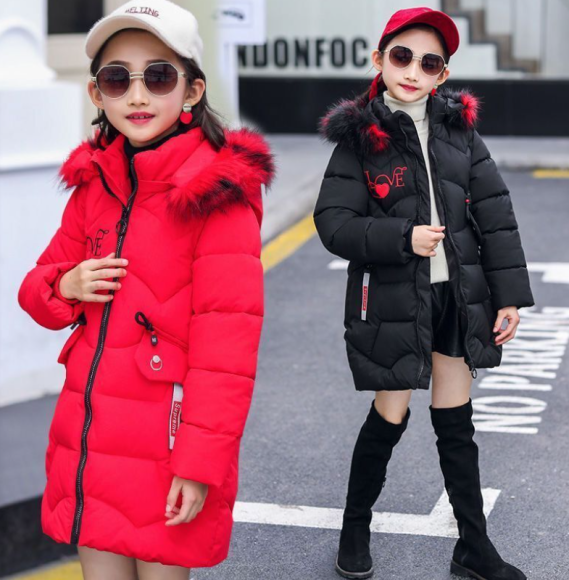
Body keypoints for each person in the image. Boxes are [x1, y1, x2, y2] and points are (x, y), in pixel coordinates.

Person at [17, 1, 275, 578]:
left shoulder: (219, 195)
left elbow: (227, 351)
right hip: (89, 439)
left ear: (191, 92)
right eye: (118, 79)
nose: (137, 95)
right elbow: (35, 291)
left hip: (167, 443)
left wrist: (200, 465)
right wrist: (67, 284)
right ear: (97, 94)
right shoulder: (94, 183)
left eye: (158, 76)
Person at [314, 6, 534, 580]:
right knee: (389, 413)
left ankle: (473, 547)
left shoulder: (460, 130)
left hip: (457, 297)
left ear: (443, 73)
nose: (413, 70)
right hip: (394, 299)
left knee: (456, 420)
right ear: (379, 59)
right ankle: (355, 528)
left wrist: (508, 296)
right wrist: (401, 237)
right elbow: (333, 224)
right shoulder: (360, 139)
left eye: (429, 62)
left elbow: (496, 214)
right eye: (402, 56)